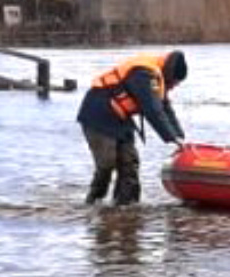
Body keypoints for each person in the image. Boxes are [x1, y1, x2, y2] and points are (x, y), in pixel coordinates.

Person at [77, 50, 188, 205]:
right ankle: (94, 202)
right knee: (107, 163)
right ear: (170, 73)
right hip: (98, 113)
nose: (175, 86)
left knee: (130, 163)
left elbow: (165, 108)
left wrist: (180, 137)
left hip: (121, 118)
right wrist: (171, 137)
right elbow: (152, 110)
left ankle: (127, 206)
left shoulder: (158, 77)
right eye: (175, 82)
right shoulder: (143, 74)